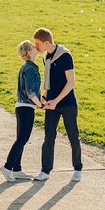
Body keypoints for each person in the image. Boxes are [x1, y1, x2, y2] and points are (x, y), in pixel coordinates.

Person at [32, 28, 83, 182]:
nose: (36, 47)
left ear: (47, 42)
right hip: (51, 103)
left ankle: (78, 168)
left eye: (38, 43)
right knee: (49, 136)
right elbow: (49, 82)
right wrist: (44, 97)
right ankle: (45, 170)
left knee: (73, 136)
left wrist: (56, 101)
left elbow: (71, 82)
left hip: (67, 103)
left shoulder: (65, 56)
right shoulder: (46, 57)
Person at [0, 40, 44, 182]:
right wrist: (40, 105)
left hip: (22, 106)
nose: (35, 47)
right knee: (22, 139)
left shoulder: (26, 67)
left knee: (21, 139)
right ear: (28, 52)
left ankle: (17, 169)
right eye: (32, 46)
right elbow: (30, 92)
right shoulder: (30, 69)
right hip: (26, 107)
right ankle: (7, 167)